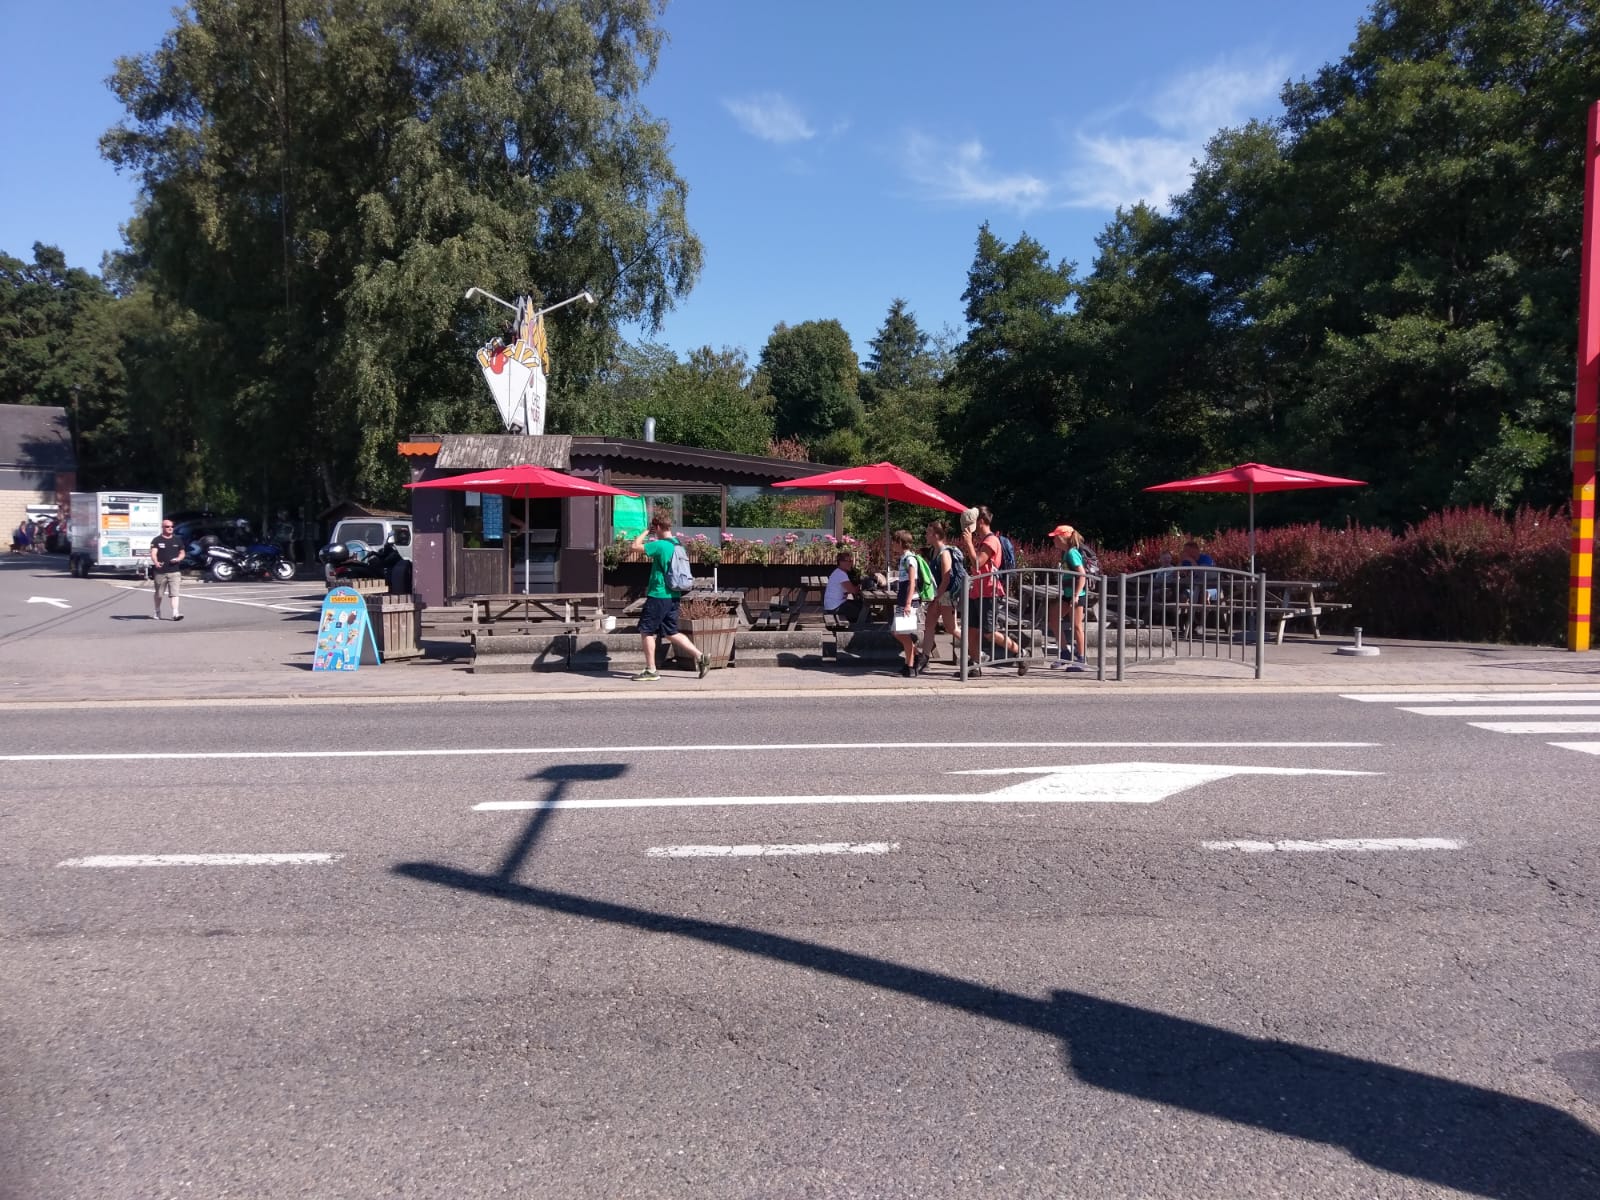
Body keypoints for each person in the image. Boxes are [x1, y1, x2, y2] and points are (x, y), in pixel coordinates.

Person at [630, 513, 708, 682]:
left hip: (659, 594)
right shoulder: (678, 544)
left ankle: (651, 670)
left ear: (657, 527)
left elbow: (634, 547)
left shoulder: (660, 545)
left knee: (646, 631)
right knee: (671, 632)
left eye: (654, 528)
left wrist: (646, 532)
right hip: (674, 595)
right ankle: (700, 656)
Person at [966, 506, 1026, 676]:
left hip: (989, 592)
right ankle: (975, 666)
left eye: (973, 521)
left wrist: (968, 543)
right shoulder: (983, 541)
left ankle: (1020, 652)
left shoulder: (991, 541)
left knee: (989, 632)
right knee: (972, 630)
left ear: (981, 521)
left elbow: (977, 563)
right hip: (977, 591)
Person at [917, 520, 959, 673]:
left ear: (935, 535)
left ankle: (977, 651)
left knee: (951, 628)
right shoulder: (934, 551)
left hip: (945, 595)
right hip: (937, 595)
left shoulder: (944, 553)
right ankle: (924, 658)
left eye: (928, 533)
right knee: (929, 625)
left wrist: (936, 598)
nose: (926, 535)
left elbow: (946, 579)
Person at [1047, 524, 1088, 670]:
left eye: (1055, 537)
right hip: (1068, 594)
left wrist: (1076, 595)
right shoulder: (1066, 553)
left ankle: (1081, 659)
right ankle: (1065, 653)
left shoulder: (1071, 553)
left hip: (1076, 595)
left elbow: (1082, 575)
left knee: (1077, 626)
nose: (1054, 540)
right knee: (1053, 618)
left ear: (1062, 538)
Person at [889, 529, 923, 677]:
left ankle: (909, 666)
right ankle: (916, 655)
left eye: (894, 542)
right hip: (903, 599)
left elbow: (912, 582)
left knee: (902, 632)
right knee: (896, 631)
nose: (892, 545)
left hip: (908, 600)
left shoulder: (910, 559)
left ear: (900, 542)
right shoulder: (903, 559)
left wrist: (908, 603)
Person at [149, 518, 186, 621]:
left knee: (175, 593)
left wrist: (178, 559)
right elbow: (153, 553)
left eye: (172, 526)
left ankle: (175, 613)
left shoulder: (177, 540)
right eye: (167, 526)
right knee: (159, 594)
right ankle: (157, 611)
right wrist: (156, 562)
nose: (170, 528)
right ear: (163, 527)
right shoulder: (157, 540)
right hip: (160, 572)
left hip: (174, 571)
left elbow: (182, 553)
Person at [822, 551, 862, 626]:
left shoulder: (838, 572)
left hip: (833, 606)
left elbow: (847, 590)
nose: (850, 563)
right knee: (863, 611)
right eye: (848, 561)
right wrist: (859, 587)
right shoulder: (841, 574)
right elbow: (853, 591)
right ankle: (864, 629)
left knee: (860, 605)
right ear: (840, 562)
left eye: (851, 561)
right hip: (835, 608)